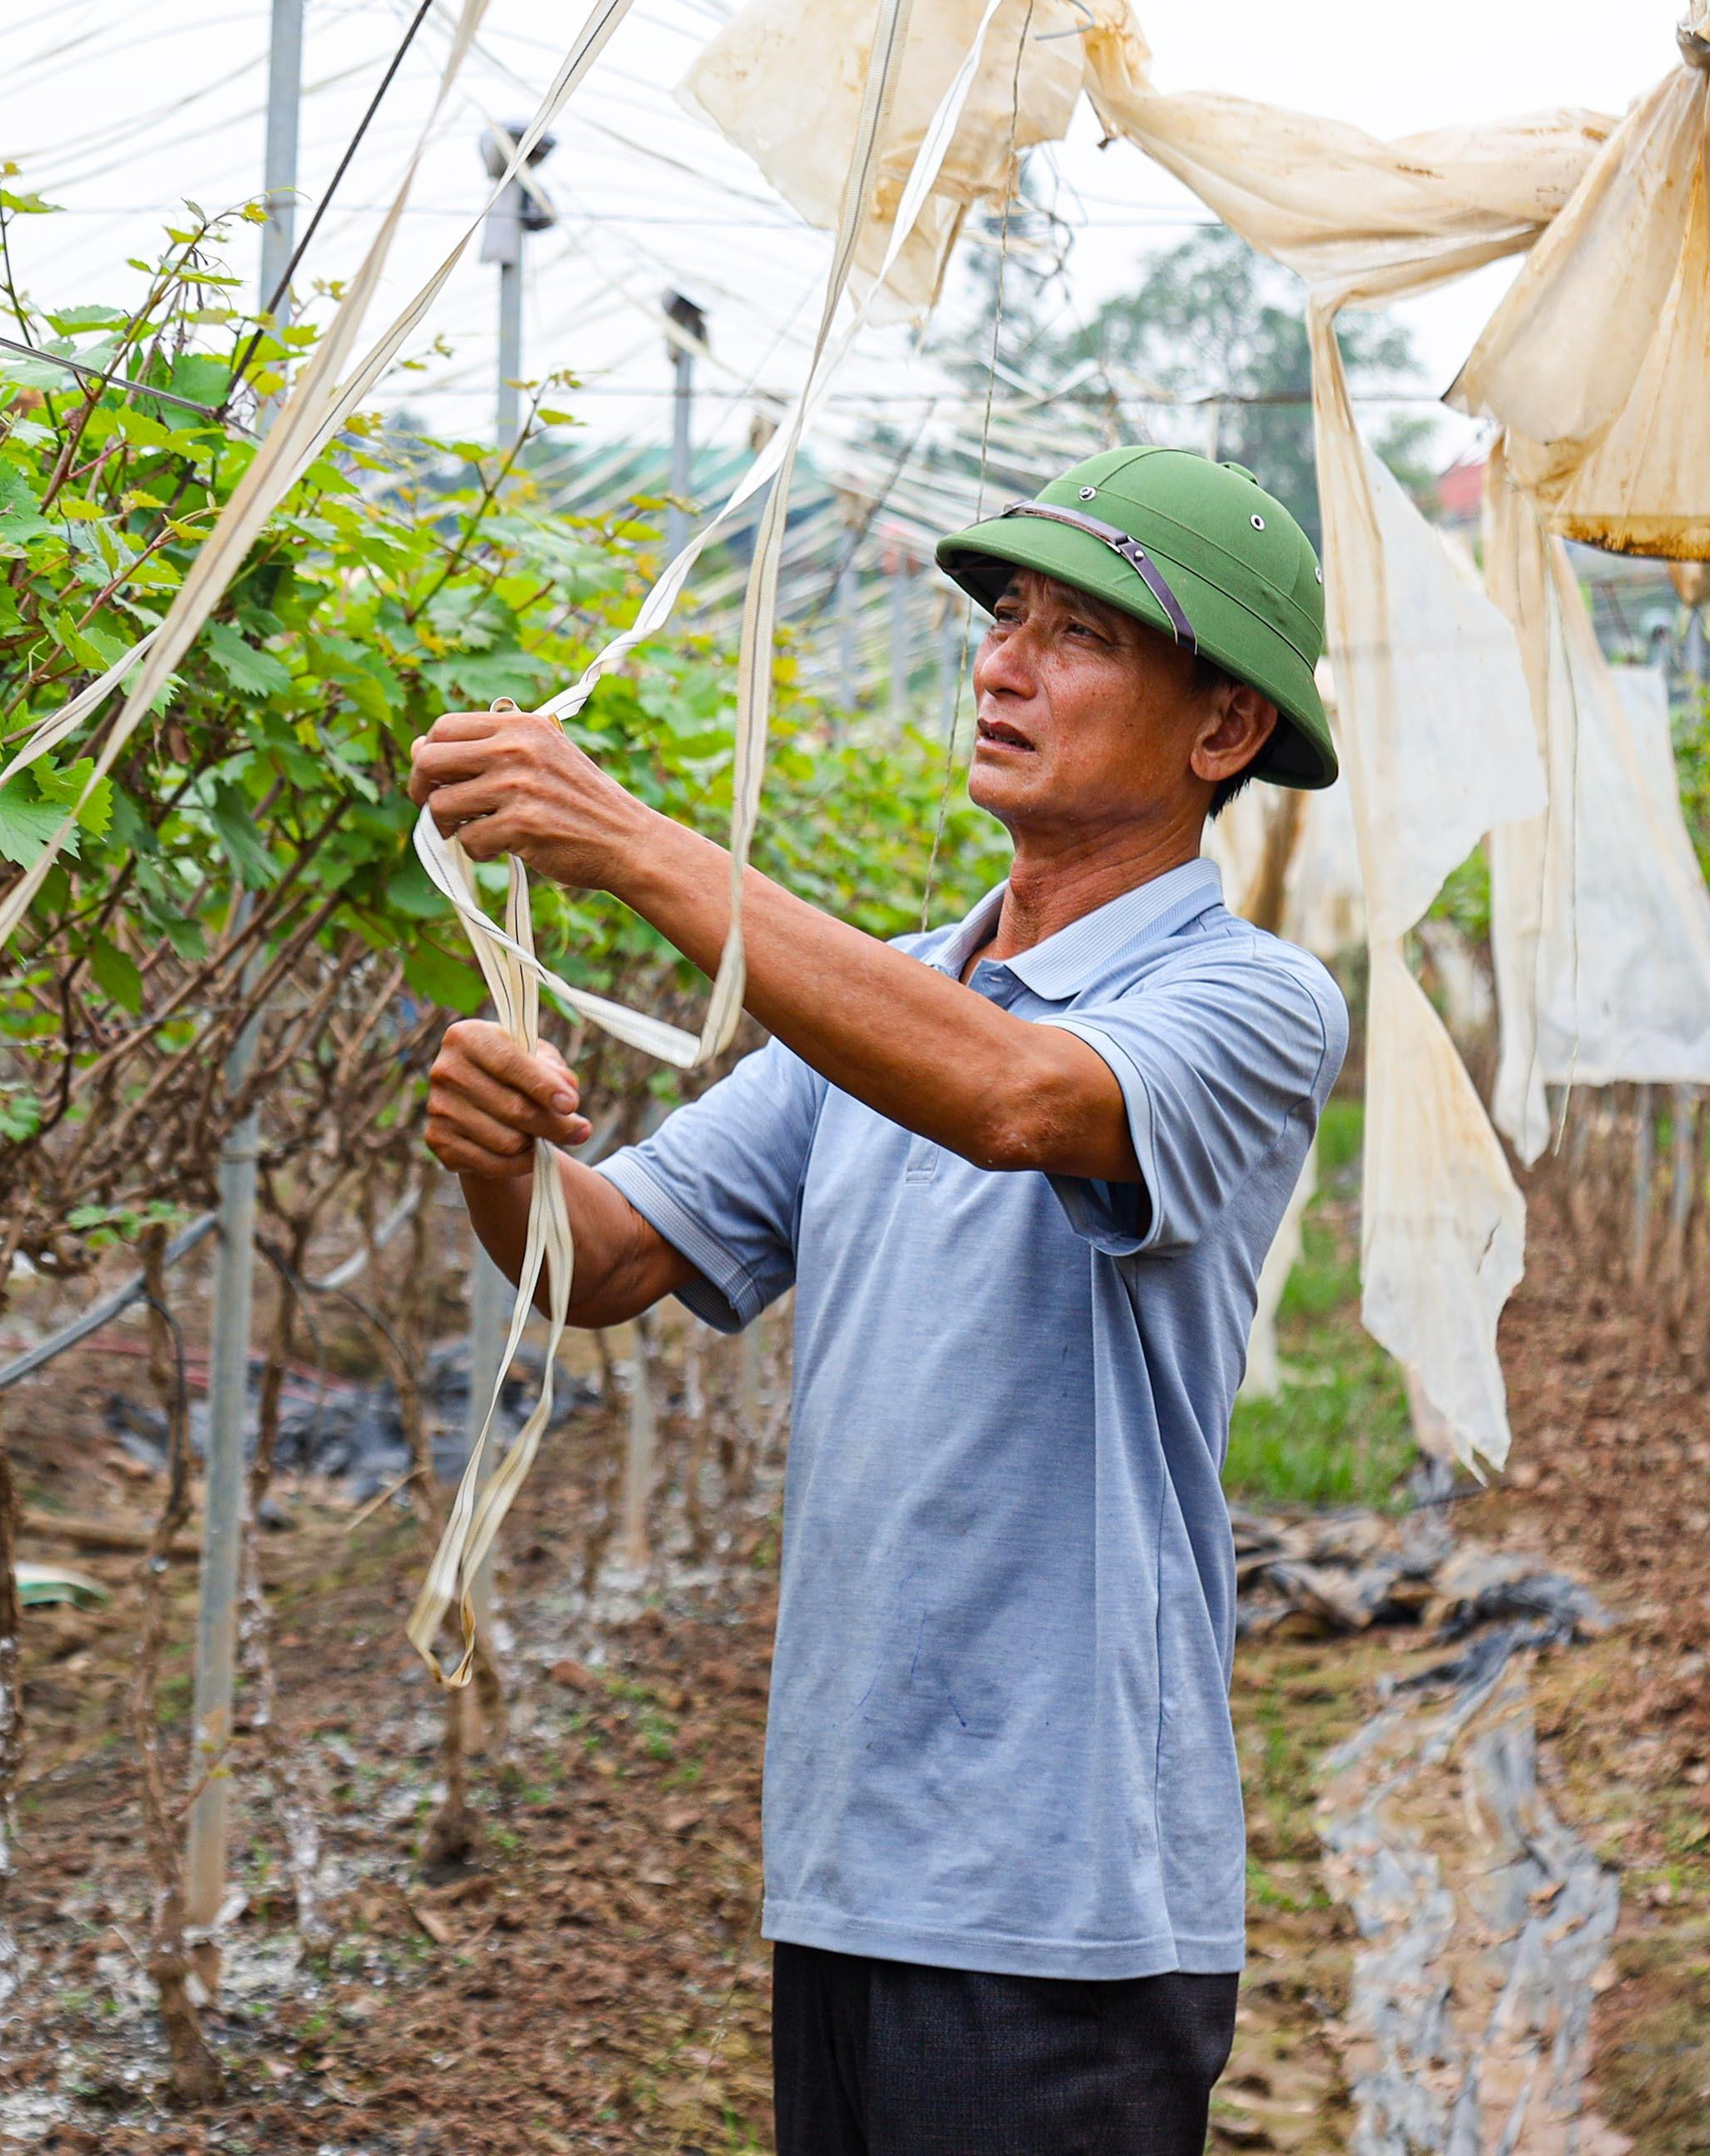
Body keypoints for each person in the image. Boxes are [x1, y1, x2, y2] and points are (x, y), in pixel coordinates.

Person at [406, 447, 1349, 2154]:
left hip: (1061, 1892)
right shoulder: (883, 1002)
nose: (1002, 663)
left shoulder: (1251, 1001)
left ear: (1219, 734)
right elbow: (607, 1259)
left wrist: (633, 845)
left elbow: (1020, 1102)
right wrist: (499, 1153)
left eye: (1081, 638)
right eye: (1004, 618)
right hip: (849, 1860)